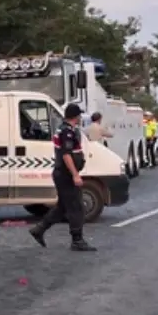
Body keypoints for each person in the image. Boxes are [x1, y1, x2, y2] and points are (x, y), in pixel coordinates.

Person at [29, 103, 96, 251]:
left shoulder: (66, 129)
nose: (80, 118)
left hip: (63, 174)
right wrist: (75, 175)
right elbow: (66, 154)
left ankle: (39, 230)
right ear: (75, 116)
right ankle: (77, 240)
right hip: (66, 175)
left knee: (62, 208)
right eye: (78, 115)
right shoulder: (67, 132)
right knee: (76, 207)